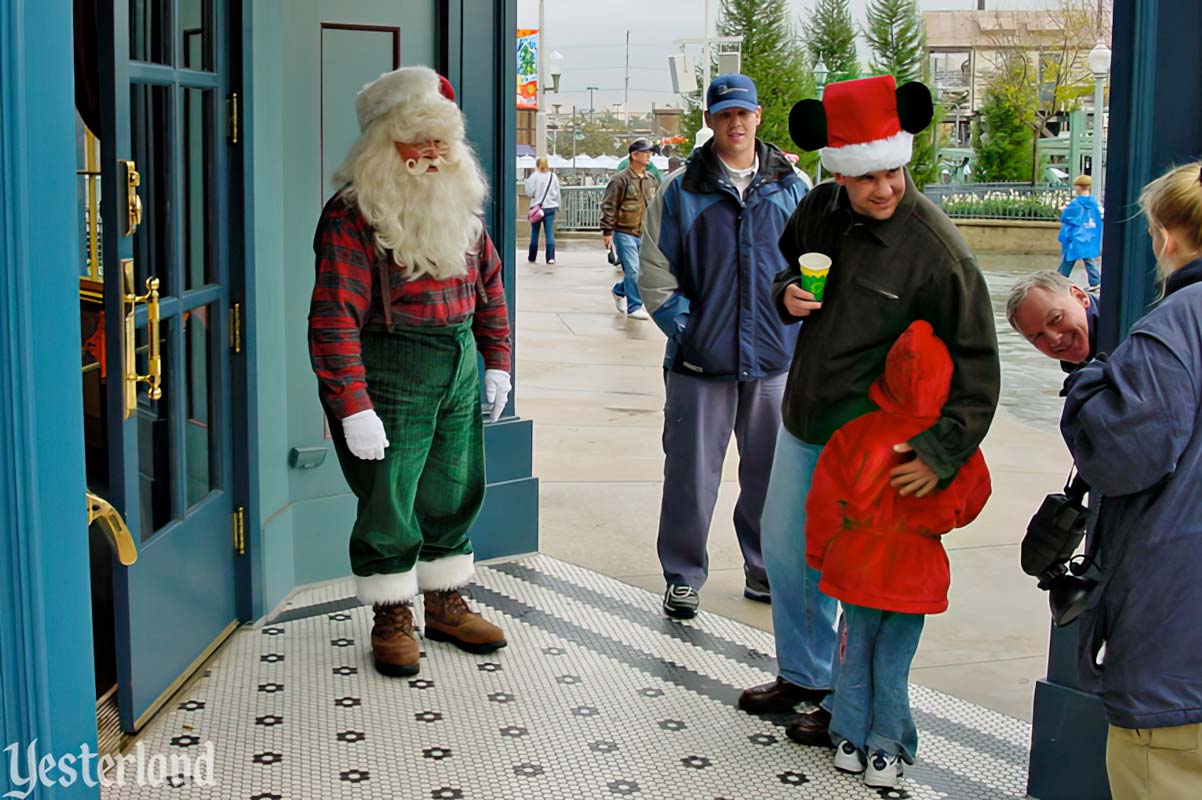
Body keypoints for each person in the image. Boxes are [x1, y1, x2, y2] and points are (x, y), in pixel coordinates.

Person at [735, 75, 1000, 748]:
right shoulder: (821, 207)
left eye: (893, 172)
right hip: (806, 416)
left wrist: (941, 452)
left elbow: (977, 370)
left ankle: (846, 709)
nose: (884, 188)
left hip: (878, 443)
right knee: (788, 556)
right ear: (841, 174)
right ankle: (804, 676)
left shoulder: (942, 254)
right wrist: (787, 292)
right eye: (867, 178)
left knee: (852, 575)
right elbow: (787, 268)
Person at [308, 66, 511, 678]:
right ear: (380, 147)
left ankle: (445, 600)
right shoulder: (351, 217)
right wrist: (352, 404)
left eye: (439, 140)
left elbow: (491, 289)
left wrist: (497, 362)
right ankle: (393, 611)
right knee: (388, 495)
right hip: (391, 367)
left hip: (457, 362)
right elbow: (333, 319)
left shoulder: (463, 210)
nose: (429, 153)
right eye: (414, 140)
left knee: (455, 483)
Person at [637, 73, 808, 618]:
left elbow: (816, 262)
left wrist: (799, 323)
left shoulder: (793, 187)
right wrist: (689, 330)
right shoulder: (680, 190)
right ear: (710, 121)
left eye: (744, 113)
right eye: (724, 114)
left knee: (773, 475)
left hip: (774, 361)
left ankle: (764, 568)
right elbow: (655, 273)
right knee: (690, 475)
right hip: (698, 363)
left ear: (758, 117)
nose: (735, 123)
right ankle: (683, 574)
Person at [1060, 161, 1202, 800]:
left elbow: (1122, 457)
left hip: (1177, 649)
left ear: (1167, 238)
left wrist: (1090, 382)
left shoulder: (1172, 329)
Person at [806, 320, 992, 788]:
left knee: (853, 653)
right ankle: (886, 753)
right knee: (893, 663)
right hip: (915, 570)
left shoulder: (856, 433)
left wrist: (821, 554)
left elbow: (825, 502)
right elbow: (972, 501)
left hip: (857, 561)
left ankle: (849, 742)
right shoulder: (950, 445)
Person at [601, 138, 660, 320]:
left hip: (644, 232)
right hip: (624, 231)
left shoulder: (650, 179)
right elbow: (609, 205)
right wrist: (607, 231)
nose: (649, 155)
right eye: (645, 152)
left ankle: (619, 291)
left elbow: (656, 206)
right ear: (635, 155)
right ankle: (635, 305)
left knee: (643, 272)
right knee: (632, 270)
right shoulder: (620, 180)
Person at [1007, 270, 1100, 370]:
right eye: (1038, 336)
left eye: (1056, 319)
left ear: (1080, 297)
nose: (1054, 339)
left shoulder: (1117, 346)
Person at [1057, 174, 1103, 291]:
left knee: (1069, 258)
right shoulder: (1094, 202)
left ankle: (1059, 280)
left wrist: (1064, 210)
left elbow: (1068, 217)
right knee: (1088, 258)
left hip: (1076, 235)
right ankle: (1095, 281)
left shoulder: (1076, 203)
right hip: (1088, 235)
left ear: (1079, 187)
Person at [524, 156, 560, 264]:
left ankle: (532, 256)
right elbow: (557, 193)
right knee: (549, 233)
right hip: (550, 207)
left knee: (535, 233)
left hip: (536, 208)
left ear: (537, 165)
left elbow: (529, 193)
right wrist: (558, 206)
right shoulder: (553, 177)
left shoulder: (533, 177)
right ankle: (550, 257)